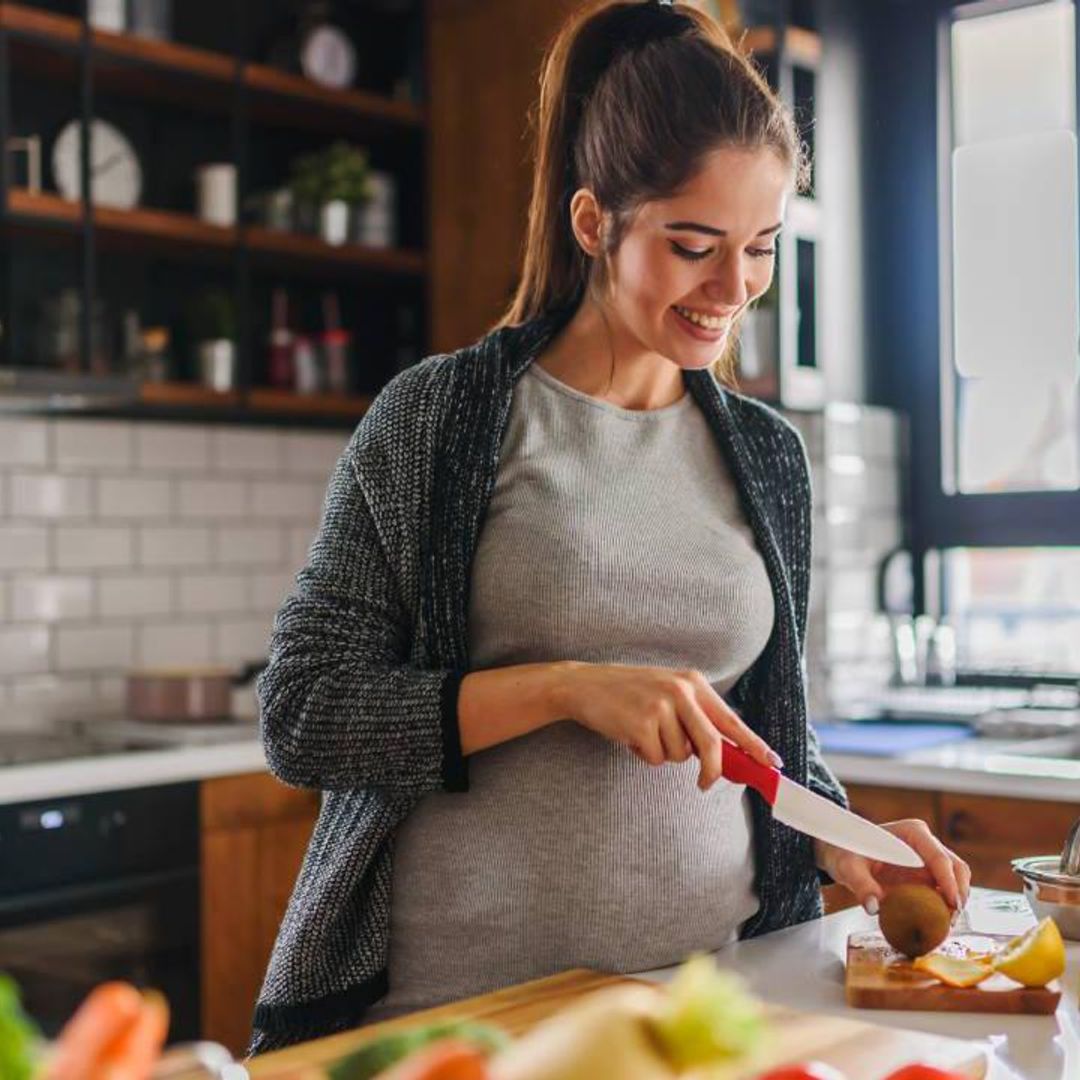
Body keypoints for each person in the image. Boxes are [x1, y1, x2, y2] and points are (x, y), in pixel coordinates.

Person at [251, 0, 971, 1053]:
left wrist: (845, 837)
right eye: (694, 246)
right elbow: (304, 712)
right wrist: (564, 687)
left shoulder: (768, 457)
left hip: (701, 1014)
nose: (735, 291)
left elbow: (756, 732)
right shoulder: (441, 419)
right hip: (462, 1025)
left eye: (762, 249)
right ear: (594, 224)